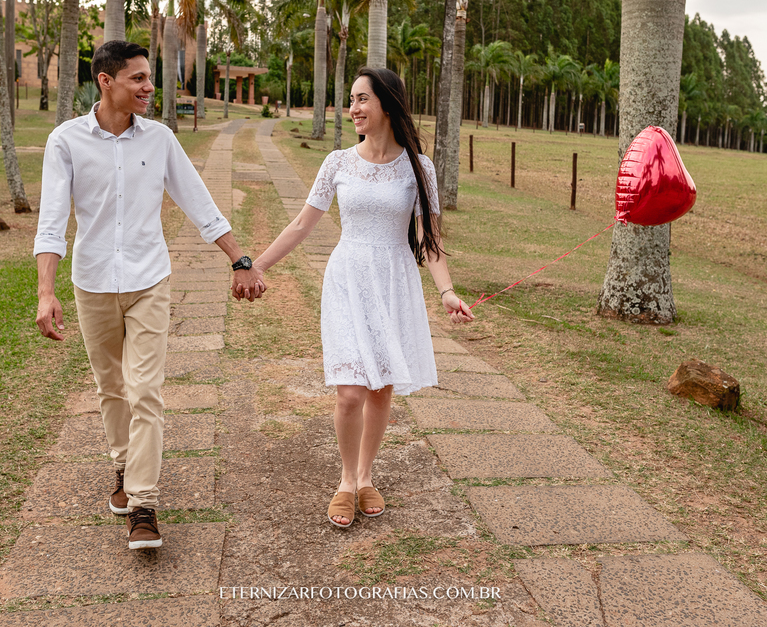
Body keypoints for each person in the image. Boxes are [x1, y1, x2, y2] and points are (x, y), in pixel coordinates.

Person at [34, 40, 264, 550]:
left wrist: (239, 259)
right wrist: (45, 292)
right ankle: (123, 464)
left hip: (149, 281)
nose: (149, 87)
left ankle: (143, 503)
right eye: (138, 78)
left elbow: (198, 201)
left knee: (146, 391)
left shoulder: (158, 139)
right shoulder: (65, 141)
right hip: (92, 282)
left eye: (149, 78)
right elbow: (52, 223)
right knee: (111, 387)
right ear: (106, 81)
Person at [250, 67, 474, 527]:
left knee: (380, 387)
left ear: (387, 104)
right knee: (350, 391)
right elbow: (301, 224)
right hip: (348, 277)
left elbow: (428, 237)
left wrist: (447, 292)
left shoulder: (419, 166)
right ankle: (346, 480)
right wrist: (257, 266)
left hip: (393, 279)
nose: (352, 108)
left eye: (361, 99)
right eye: (350, 99)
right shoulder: (336, 162)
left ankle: (367, 475)